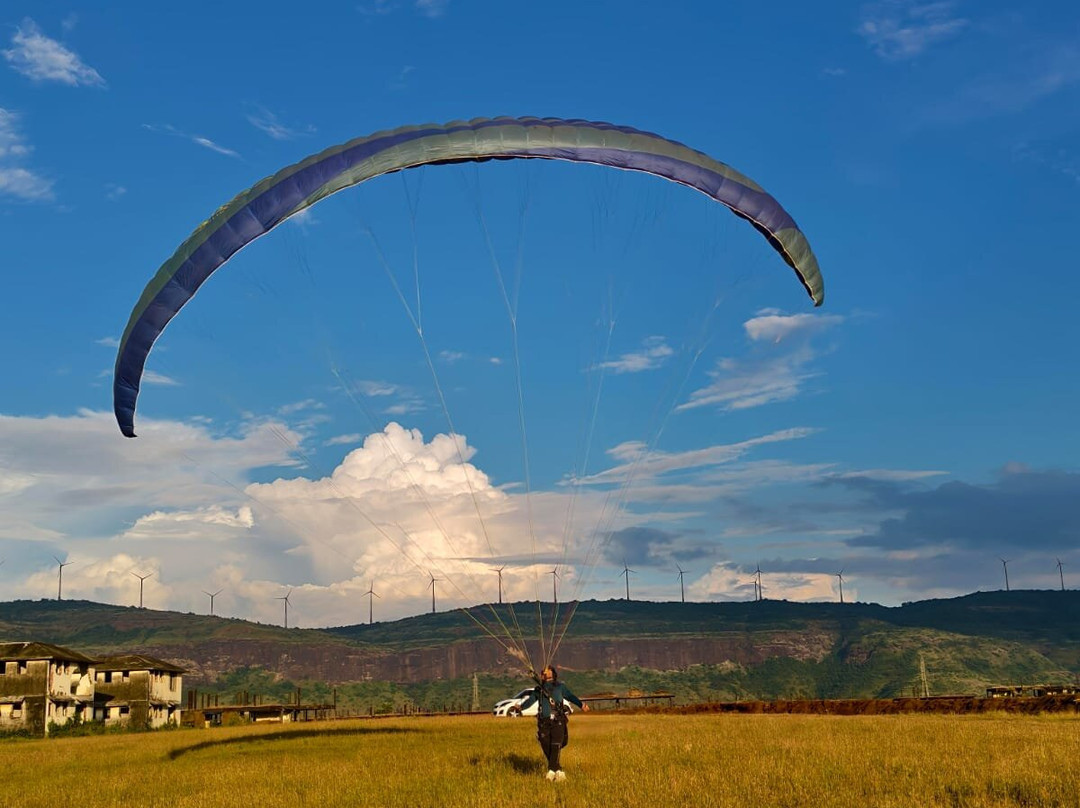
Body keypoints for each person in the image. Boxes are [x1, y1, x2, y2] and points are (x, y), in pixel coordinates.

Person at [518, 665, 589, 781]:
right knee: (545, 744)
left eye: (548, 670)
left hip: (558, 720)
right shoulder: (539, 690)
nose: (545, 671)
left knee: (556, 745)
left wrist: (581, 705)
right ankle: (558, 770)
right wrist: (521, 707)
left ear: (552, 673)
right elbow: (531, 700)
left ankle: (551, 770)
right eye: (543, 670)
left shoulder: (560, 687)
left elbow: (570, 696)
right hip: (544, 722)